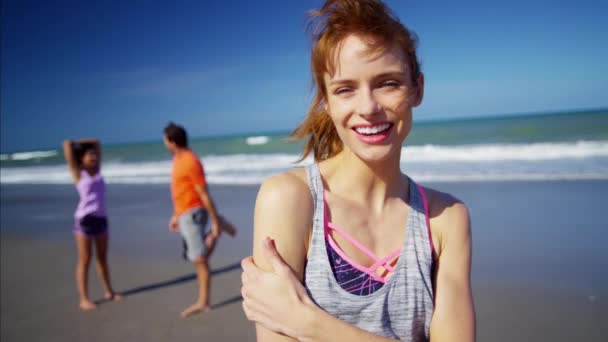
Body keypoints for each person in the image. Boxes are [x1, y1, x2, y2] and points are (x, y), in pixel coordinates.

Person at [240, 0, 475, 341]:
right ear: (327, 100)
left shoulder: (445, 219)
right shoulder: (291, 200)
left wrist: (310, 323)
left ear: (417, 89)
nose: (368, 108)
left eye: (388, 83)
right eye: (345, 89)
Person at [163, 122, 235, 318]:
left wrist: (215, 220)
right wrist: (176, 215)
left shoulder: (190, 161)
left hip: (194, 213)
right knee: (196, 256)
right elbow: (182, 190)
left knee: (200, 260)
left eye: (165, 140)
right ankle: (217, 228)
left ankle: (203, 302)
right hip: (185, 213)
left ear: (171, 141)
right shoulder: (178, 159)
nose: (164, 144)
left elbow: (203, 193)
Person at [63, 139, 122, 311]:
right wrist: (75, 144)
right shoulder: (78, 173)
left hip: (101, 219)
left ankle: (109, 292)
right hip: (84, 221)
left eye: (95, 154)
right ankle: (84, 299)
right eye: (90, 154)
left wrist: (88, 146)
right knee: (85, 260)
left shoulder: (98, 171)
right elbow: (67, 145)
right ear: (81, 159)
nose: (94, 156)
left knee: (102, 259)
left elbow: (97, 142)